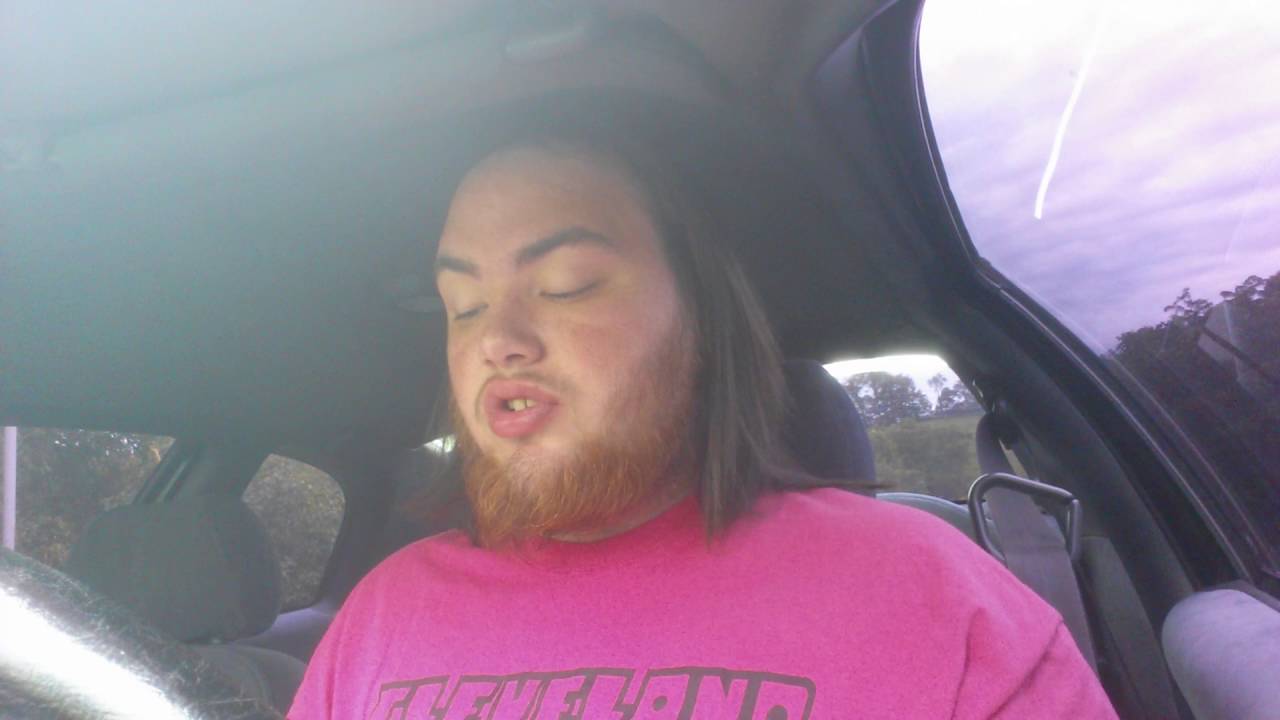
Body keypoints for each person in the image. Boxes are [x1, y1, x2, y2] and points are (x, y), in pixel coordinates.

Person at [288, 125, 1117, 719]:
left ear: (701, 323)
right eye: (462, 305)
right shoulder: (380, 615)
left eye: (569, 284)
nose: (496, 340)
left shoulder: (936, 598)